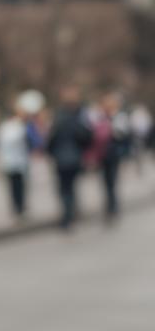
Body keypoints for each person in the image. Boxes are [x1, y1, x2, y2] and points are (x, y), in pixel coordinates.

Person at [45, 83, 93, 231]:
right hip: (74, 157)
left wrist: (51, 152)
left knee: (64, 189)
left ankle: (67, 216)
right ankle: (70, 213)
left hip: (62, 158)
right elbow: (87, 136)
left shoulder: (60, 116)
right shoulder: (79, 115)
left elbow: (51, 138)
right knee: (70, 188)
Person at [83, 90, 132, 224]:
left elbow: (123, 135)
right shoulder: (99, 116)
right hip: (103, 154)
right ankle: (110, 207)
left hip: (113, 154)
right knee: (106, 182)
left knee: (111, 182)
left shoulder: (118, 117)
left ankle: (112, 207)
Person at [0, 97, 33, 221]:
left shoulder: (3, 128)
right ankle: (20, 207)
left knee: (13, 187)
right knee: (19, 186)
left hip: (9, 162)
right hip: (18, 162)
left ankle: (17, 207)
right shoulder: (20, 127)